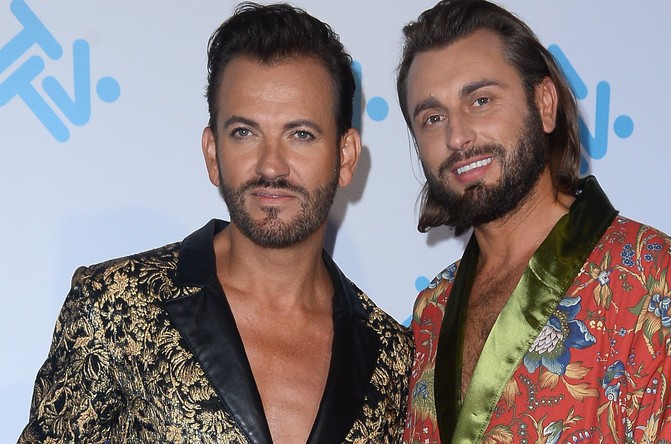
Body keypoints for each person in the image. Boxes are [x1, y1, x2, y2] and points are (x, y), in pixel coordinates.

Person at [19, 3, 413, 443]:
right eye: (244, 132)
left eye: (300, 134)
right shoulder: (115, 304)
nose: (271, 165)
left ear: (345, 156)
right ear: (212, 153)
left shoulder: (392, 354)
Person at [396, 1, 671, 442]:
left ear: (544, 104)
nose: (457, 136)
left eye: (481, 100)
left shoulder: (646, 275)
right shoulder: (431, 310)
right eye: (433, 118)